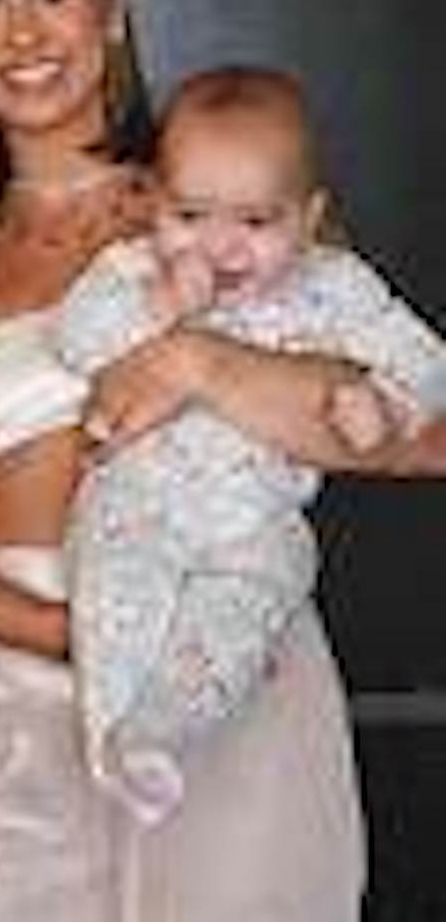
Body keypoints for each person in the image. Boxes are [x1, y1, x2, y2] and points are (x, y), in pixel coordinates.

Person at [0, 0, 446, 920]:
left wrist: (197, 363)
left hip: (223, 671)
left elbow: (423, 434)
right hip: (3, 717)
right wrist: (66, 636)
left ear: (112, 9)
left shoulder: (235, 208)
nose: (23, 34)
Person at [56, 64, 446, 826]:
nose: (220, 247)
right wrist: (159, 304)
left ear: (309, 216)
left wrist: (386, 403)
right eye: (189, 215)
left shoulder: (335, 285)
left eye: (256, 222)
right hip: (137, 503)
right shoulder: (131, 270)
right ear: (153, 201)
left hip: (255, 520)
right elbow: (77, 341)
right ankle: (114, 738)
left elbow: (425, 359)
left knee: (261, 592)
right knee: (115, 601)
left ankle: (161, 729)